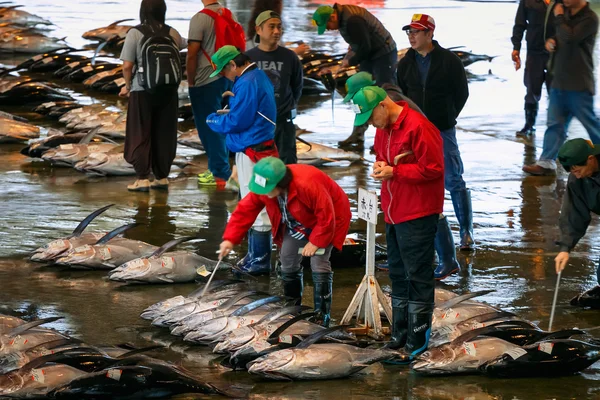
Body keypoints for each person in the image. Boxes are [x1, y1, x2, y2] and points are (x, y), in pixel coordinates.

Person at [350, 86, 444, 360]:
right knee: (398, 274)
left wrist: (396, 171)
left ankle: (417, 341)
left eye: (370, 117)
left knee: (417, 275)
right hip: (392, 211)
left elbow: (435, 168)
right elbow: (382, 157)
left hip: (417, 212)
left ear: (383, 105)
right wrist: (381, 167)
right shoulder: (383, 129)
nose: (369, 124)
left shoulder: (419, 126)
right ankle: (399, 335)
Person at [218, 157, 352, 327]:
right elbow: (245, 210)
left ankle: (321, 314)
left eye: (267, 189)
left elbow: (327, 216)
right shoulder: (266, 187)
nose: (263, 193)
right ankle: (292, 307)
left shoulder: (308, 184)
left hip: (329, 220)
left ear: (281, 183)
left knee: (319, 263)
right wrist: (230, 239)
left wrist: (316, 242)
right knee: (287, 259)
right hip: (295, 222)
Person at [396, 14, 473, 279]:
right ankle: (433, 242)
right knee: (425, 181)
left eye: (416, 32)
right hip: (416, 131)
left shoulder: (450, 61)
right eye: (409, 32)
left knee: (454, 179)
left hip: (442, 129)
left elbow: (462, 93)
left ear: (430, 33)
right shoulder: (405, 62)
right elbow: (402, 94)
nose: (411, 36)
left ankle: (466, 231)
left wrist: (447, 116)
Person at [206, 45, 278, 275]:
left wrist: (213, 121)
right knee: (253, 198)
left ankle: (260, 259)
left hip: (254, 151)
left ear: (233, 65)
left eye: (223, 71)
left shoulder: (247, 82)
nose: (223, 77)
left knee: (254, 200)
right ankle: (256, 255)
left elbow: (238, 121)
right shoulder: (255, 76)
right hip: (254, 148)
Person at [523, 0, 600, 176]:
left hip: (579, 84)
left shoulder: (590, 18)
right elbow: (561, 37)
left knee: (591, 124)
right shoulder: (565, 16)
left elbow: (570, 37)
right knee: (555, 124)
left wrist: (558, 17)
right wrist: (551, 41)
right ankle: (546, 162)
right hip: (560, 82)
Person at [120, 0, 185, 192]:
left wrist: (127, 85)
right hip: (169, 90)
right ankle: (162, 177)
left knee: (140, 132)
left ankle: (142, 178)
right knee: (165, 132)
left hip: (142, 90)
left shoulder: (135, 33)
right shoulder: (172, 32)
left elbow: (127, 65)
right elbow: (184, 47)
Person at [312, 4, 397, 148]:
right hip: (369, 55)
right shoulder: (342, 19)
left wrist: (350, 61)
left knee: (385, 96)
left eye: (327, 25)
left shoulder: (352, 20)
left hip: (383, 54)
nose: (328, 29)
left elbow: (365, 47)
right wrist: (349, 54)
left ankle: (390, 139)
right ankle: (357, 135)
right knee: (362, 94)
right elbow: (357, 43)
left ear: (333, 16)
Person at [187, 0, 238, 187]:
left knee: (209, 126)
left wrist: (191, 80)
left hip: (205, 80)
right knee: (223, 122)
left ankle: (219, 174)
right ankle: (218, 169)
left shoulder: (199, 18)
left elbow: (192, 54)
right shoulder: (228, 14)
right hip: (226, 77)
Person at [246, 11, 303, 164]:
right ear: (258, 30)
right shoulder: (248, 58)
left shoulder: (290, 57)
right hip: (257, 124)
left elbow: (296, 87)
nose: (277, 31)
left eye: (279, 27)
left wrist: (285, 107)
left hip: (284, 124)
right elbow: (242, 92)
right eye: (271, 27)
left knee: (288, 169)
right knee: (258, 168)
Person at [555, 139, 600, 288]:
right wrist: (565, 248)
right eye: (573, 172)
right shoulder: (577, 180)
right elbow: (573, 212)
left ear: (591, 159)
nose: (578, 176)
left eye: (579, 170)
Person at [511, 0, 554, 137]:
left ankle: (557, 127)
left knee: (556, 92)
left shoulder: (563, 2)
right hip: (534, 52)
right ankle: (529, 125)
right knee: (532, 90)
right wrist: (516, 48)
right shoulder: (527, 1)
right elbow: (520, 24)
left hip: (557, 54)